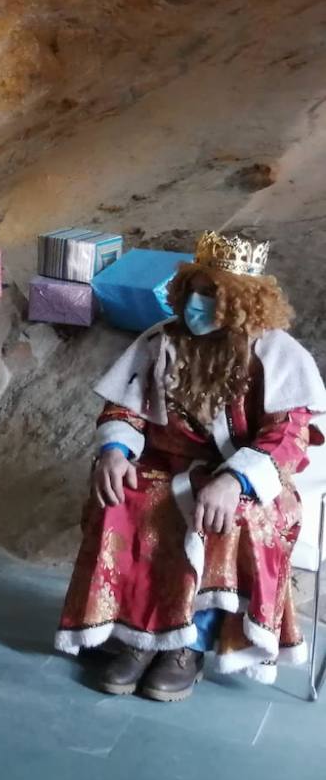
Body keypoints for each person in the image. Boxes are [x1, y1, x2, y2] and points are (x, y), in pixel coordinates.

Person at [56, 232, 326, 701]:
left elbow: (288, 434)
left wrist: (235, 479)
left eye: (212, 294)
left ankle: (190, 643)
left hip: (245, 477)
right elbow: (124, 409)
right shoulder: (160, 340)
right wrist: (115, 451)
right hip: (166, 464)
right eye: (194, 290)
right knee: (125, 496)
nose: (197, 303)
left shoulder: (277, 354)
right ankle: (137, 636)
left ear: (242, 300)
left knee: (226, 517)